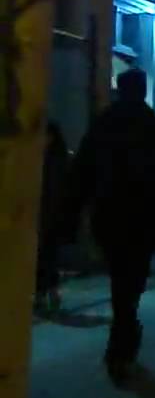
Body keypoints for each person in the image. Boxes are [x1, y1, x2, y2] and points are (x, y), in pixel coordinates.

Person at [67, 68, 155, 384]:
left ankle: (122, 339)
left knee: (120, 278)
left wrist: (71, 213)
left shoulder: (104, 124)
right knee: (131, 280)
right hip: (144, 215)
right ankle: (124, 337)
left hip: (109, 213)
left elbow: (82, 170)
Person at [36, 123, 70, 313]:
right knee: (47, 256)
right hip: (50, 215)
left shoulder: (50, 162)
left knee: (45, 256)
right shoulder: (58, 160)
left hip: (48, 215)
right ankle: (50, 292)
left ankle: (47, 292)